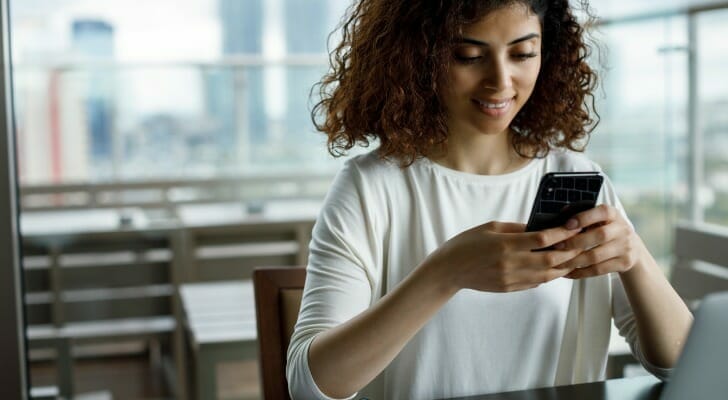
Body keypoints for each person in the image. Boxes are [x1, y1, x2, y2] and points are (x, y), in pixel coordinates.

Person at [286, 1, 694, 399]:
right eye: (468, 56)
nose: (500, 82)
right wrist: (445, 273)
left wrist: (635, 257)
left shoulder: (578, 177)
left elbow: (683, 366)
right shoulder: (370, 187)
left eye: (522, 53)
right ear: (418, 57)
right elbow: (311, 385)